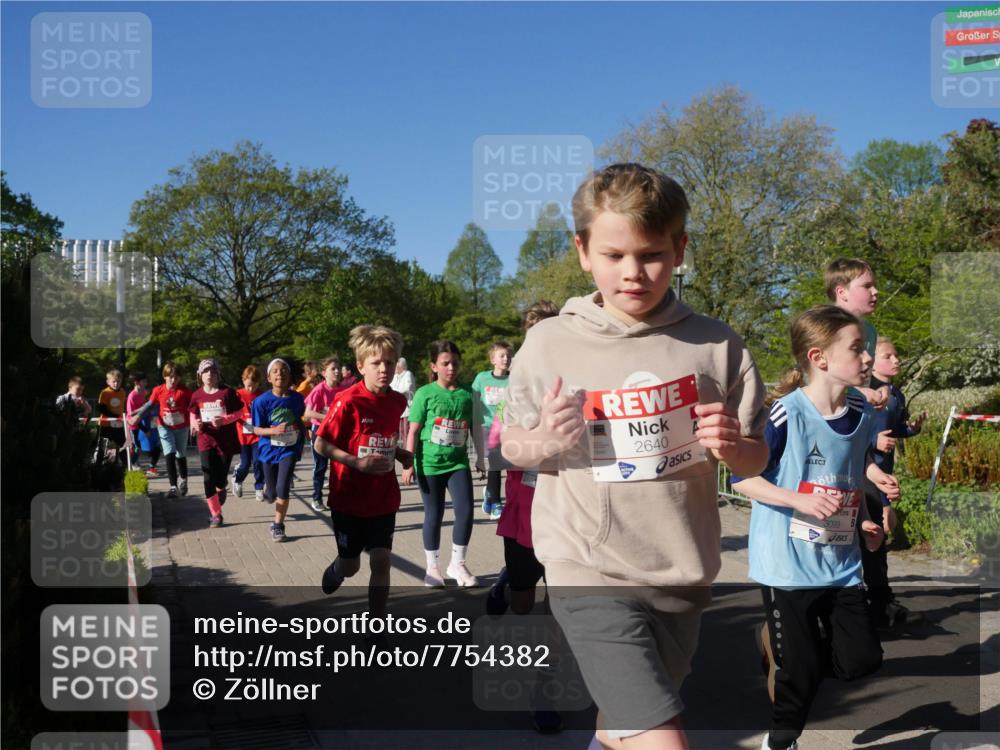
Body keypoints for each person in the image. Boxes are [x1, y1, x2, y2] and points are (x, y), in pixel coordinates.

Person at [500, 163, 769, 750]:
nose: (633, 273)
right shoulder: (550, 342)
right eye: (614, 255)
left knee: (622, 727)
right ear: (582, 251)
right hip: (586, 566)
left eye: (650, 254)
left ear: (679, 249)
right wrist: (543, 438)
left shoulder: (718, 344)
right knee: (658, 734)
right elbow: (511, 447)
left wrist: (732, 443)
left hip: (681, 570)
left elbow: (754, 460)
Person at [732, 305, 901, 750]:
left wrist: (868, 507)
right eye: (856, 349)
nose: (866, 359)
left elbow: (848, 466)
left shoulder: (862, 408)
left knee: (862, 660)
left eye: (866, 349)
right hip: (787, 566)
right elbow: (742, 478)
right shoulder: (786, 415)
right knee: (800, 674)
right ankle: (780, 741)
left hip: (841, 560)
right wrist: (797, 499)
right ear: (819, 357)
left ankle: (785, 650)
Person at [486, 300, 564, 735]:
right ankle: (505, 580)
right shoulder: (515, 393)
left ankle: (544, 693)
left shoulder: (578, 383)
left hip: (567, 520)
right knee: (522, 607)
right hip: (523, 518)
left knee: (561, 614)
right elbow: (496, 451)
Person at [314, 326, 412, 624]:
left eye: (390, 362)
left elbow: (378, 438)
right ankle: (337, 569)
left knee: (381, 561)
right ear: (360, 366)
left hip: (383, 497)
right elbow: (320, 443)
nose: (385, 369)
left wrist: (400, 454)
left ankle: (377, 626)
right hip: (349, 498)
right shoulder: (347, 401)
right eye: (376, 363)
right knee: (351, 566)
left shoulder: (397, 402)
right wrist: (356, 464)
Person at [402, 341, 478, 588]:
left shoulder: (468, 393)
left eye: (455, 363)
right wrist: (408, 462)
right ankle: (432, 568)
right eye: (445, 363)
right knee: (434, 515)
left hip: (458, 464)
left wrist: (483, 459)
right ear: (434, 366)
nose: (451, 368)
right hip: (429, 464)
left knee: (466, 512)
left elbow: (475, 427)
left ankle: (457, 563)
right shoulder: (425, 393)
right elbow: (412, 431)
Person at [865, 336, 926, 629]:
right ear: (871, 361)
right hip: (861, 477)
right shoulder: (863, 392)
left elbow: (895, 427)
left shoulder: (897, 394)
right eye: (888, 356)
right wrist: (873, 440)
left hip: (883, 478)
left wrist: (910, 430)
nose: (896, 360)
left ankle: (880, 605)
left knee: (878, 540)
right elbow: (848, 431)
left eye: (897, 355)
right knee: (867, 540)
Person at [252, 358, 306, 542]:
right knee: (271, 494)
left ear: (289, 375)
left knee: (283, 487)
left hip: (288, 449)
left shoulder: (297, 398)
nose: (279, 374)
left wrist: (303, 439)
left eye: (283, 370)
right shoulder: (261, 401)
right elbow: (256, 429)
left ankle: (278, 526)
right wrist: (273, 431)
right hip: (268, 450)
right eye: (275, 371)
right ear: (268, 377)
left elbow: (299, 420)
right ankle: (269, 490)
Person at [826, 258, 888, 409]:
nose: (875, 291)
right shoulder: (824, 328)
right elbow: (814, 380)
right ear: (842, 292)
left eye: (874, 285)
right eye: (867, 286)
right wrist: (859, 392)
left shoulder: (869, 330)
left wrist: (881, 387)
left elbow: (864, 376)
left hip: (858, 418)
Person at [188, 359, 243, 528]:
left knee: (219, 478)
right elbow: (192, 413)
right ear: (200, 376)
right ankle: (216, 515)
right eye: (206, 372)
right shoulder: (197, 395)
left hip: (225, 442)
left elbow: (239, 411)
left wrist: (224, 420)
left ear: (218, 374)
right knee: (207, 477)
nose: (209, 375)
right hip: (205, 440)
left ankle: (221, 487)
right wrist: (194, 424)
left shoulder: (227, 392)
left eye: (213, 371)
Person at [131, 362, 192, 498]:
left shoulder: (185, 392)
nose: (173, 380)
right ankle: (173, 487)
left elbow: (194, 407)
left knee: (180, 454)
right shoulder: (158, 390)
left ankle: (184, 480)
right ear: (165, 376)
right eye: (170, 377)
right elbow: (150, 404)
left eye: (176, 377)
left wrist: (195, 421)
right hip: (164, 426)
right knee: (169, 453)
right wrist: (138, 416)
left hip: (182, 427)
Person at [472, 341, 512, 520]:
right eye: (502, 355)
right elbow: (473, 400)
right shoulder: (482, 378)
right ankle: (496, 502)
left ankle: (489, 492)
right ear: (493, 360)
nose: (506, 358)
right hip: (488, 426)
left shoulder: (514, 379)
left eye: (508, 355)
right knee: (495, 462)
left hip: (508, 427)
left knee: (509, 464)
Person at [304, 356, 343, 512]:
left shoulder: (343, 390)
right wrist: (329, 416)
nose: (337, 371)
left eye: (338, 368)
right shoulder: (319, 389)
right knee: (320, 467)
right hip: (320, 432)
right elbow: (307, 413)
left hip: (337, 433)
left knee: (338, 467)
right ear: (324, 372)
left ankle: (336, 498)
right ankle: (316, 498)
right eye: (333, 368)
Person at [232, 365, 267, 502]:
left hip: (257, 435)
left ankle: (259, 487)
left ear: (258, 383)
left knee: (258, 461)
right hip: (242, 434)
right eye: (248, 386)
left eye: (253, 386)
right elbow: (232, 412)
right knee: (245, 464)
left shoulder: (262, 395)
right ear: (243, 380)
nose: (250, 389)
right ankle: (237, 479)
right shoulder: (238, 394)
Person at [126, 372, 161, 477]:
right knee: (136, 447)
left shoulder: (143, 393)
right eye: (144, 381)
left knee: (153, 447)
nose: (146, 383)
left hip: (142, 424)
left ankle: (151, 467)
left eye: (146, 381)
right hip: (133, 425)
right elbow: (131, 413)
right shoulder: (132, 396)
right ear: (137, 383)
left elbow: (148, 406)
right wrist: (143, 408)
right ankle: (131, 465)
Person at [97, 368, 128, 467]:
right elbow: (101, 409)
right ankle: (98, 465)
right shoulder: (105, 392)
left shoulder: (122, 392)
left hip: (118, 424)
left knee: (123, 445)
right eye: (113, 381)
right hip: (105, 424)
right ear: (108, 382)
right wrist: (113, 416)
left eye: (118, 381)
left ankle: (125, 467)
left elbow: (123, 406)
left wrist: (123, 416)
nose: (116, 384)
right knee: (103, 447)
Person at [390, 357, 416, 440]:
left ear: (401, 367)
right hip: (397, 408)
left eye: (397, 367)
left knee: (406, 431)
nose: (395, 369)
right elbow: (390, 388)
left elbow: (408, 388)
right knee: (400, 432)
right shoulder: (395, 376)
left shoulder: (408, 374)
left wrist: (395, 392)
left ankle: (407, 450)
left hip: (407, 408)